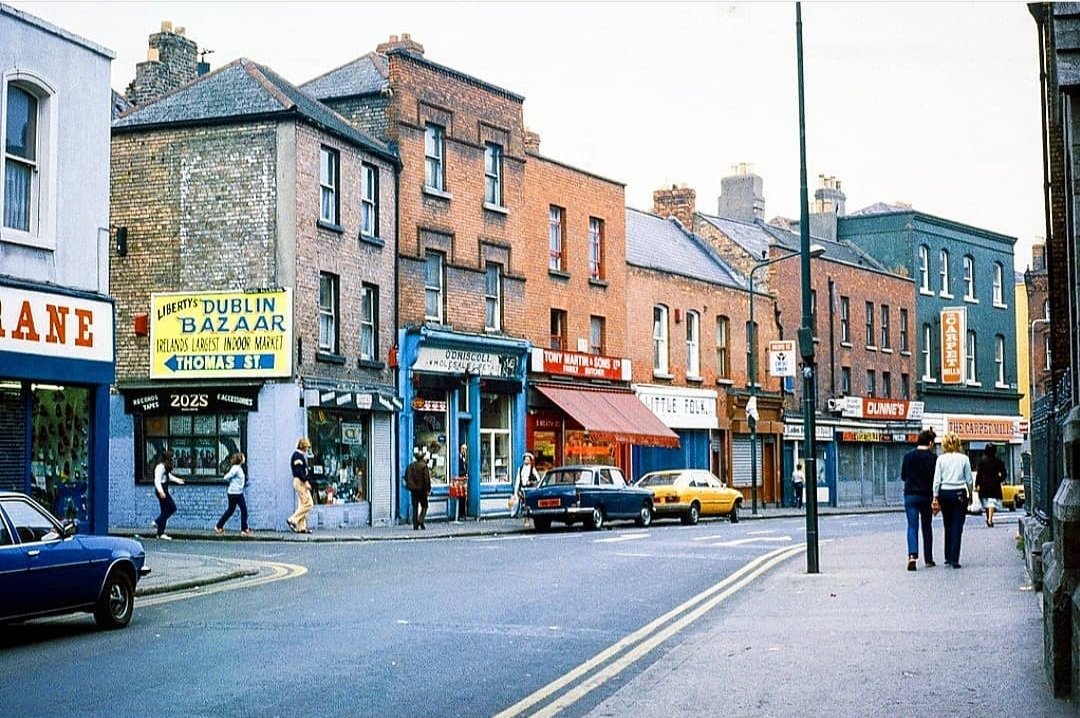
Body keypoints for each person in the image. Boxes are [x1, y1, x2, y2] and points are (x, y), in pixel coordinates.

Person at [933, 432, 974, 569]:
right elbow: (969, 479)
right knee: (957, 526)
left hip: (945, 492)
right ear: (958, 444)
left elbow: (937, 480)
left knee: (948, 525)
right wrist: (970, 493)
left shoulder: (941, 459)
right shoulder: (964, 459)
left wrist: (935, 496)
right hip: (959, 493)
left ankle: (947, 556)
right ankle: (954, 558)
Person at [901, 429, 937, 571]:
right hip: (926, 495)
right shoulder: (933, 458)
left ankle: (912, 556)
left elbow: (903, 476)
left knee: (912, 526)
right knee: (927, 527)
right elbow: (936, 479)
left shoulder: (908, 456)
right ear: (929, 442)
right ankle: (928, 558)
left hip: (910, 495)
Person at [215, 452, 252, 536]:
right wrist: (232, 482)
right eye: (243, 457)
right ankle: (244, 529)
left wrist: (234, 482)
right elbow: (226, 477)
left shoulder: (238, 468)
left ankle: (219, 526)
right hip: (235, 493)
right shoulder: (235, 468)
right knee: (243, 510)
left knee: (231, 510)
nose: (244, 458)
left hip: (235, 492)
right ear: (240, 459)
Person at [152, 450, 185, 540]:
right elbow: (157, 480)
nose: (173, 459)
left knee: (164, 510)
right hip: (162, 490)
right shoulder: (160, 467)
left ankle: (160, 533)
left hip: (164, 489)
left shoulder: (164, 467)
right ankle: (157, 522)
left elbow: (169, 476)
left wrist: (178, 480)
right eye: (172, 457)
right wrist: (161, 491)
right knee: (172, 507)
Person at [286, 437, 313, 534]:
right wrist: (306, 481)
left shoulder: (299, 455)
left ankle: (301, 527)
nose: (307, 449)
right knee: (308, 504)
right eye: (307, 447)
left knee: (302, 504)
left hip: (301, 482)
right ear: (303, 446)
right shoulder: (297, 456)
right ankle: (292, 519)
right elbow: (299, 471)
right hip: (300, 482)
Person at [975, 443, 1007, 528]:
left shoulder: (982, 461)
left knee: (986, 502)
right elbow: (1004, 473)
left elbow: (979, 474)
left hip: (984, 484)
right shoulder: (999, 461)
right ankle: (990, 519)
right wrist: (999, 479)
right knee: (992, 502)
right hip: (994, 485)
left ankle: (988, 518)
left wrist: (977, 484)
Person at [404, 447, 431, 530]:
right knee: (425, 506)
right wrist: (428, 489)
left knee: (415, 507)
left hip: (413, 490)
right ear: (422, 458)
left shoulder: (410, 466)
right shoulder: (424, 466)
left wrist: (410, 485)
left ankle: (415, 525)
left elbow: (406, 477)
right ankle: (421, 520)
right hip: (422, 490)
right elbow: (426, 479)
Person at [512, 452, 541, 518]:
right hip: (522, 488)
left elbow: (538, 479)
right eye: (525, 459)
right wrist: (516, 490)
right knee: (521, 501)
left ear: (530, 461)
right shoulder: (520, 469)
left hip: (529, 489)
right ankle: (519, 513)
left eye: (528, 459)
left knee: (528, 502)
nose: (526, 461)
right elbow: (518, 480)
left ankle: (528, 515)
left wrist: (531, 482)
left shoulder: (532, 469)